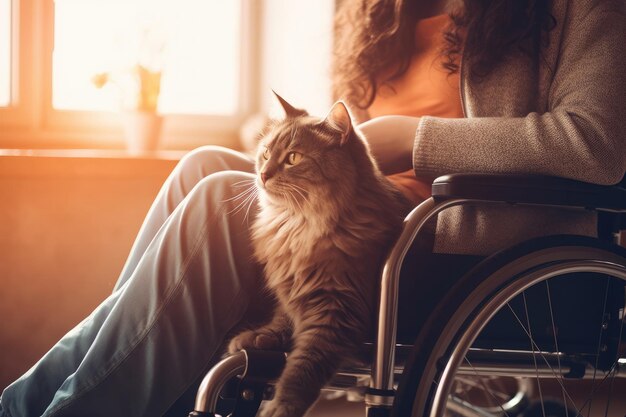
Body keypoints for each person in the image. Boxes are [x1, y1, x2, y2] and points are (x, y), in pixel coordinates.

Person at [1, 0, 624, 415]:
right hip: (356, 217)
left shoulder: (574, 10)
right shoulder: (389, 15)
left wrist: (413, 139)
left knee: (221, 203)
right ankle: (25, 406)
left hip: (457, 243)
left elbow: (597, 146)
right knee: (204, 166)